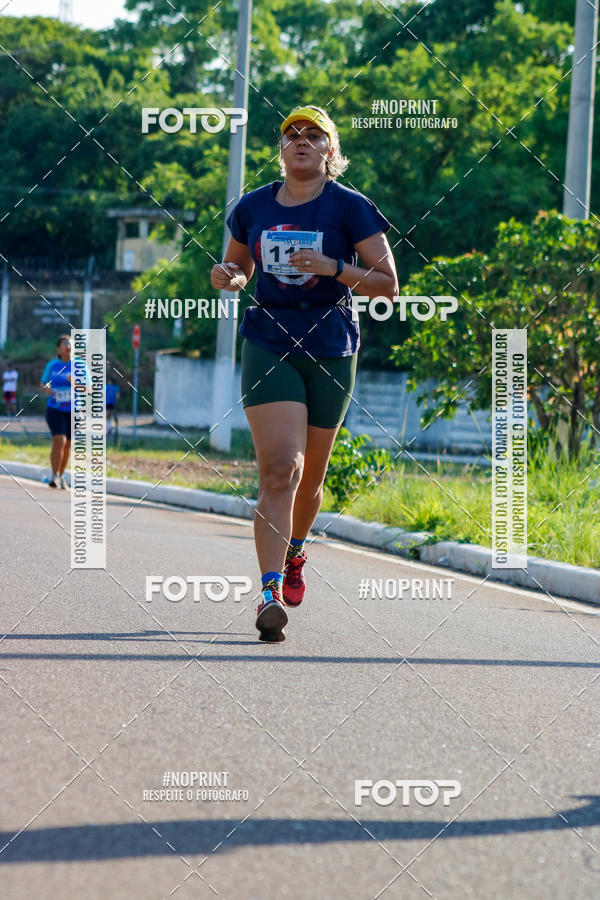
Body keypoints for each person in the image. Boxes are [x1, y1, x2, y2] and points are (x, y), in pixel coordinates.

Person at [210, 105, 398, 642]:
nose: (301, 142)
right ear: (281, 148)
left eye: (314, 136)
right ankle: (269, 591)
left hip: (332, 346)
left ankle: (295, 552)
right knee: (279, 472)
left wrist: (333, 268)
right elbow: (236, 268)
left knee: (311, 478)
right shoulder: (253, 207)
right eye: (292, 134)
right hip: (269, 341)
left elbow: (388, 285)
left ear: (330, 153)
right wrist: (228, 276)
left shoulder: (352, 208)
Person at [40, 335, 73, 489]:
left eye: (70, 343)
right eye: (65, 343)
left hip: (74, 410)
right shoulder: (53, 365)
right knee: (60, 440)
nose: (68, 346)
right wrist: (47, 389)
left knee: (68, 446)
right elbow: (44, 382)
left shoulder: (79, 365)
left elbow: (89, 386)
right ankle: (54, 476)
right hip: (55, 408)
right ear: (58, 349)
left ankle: (61, 474)